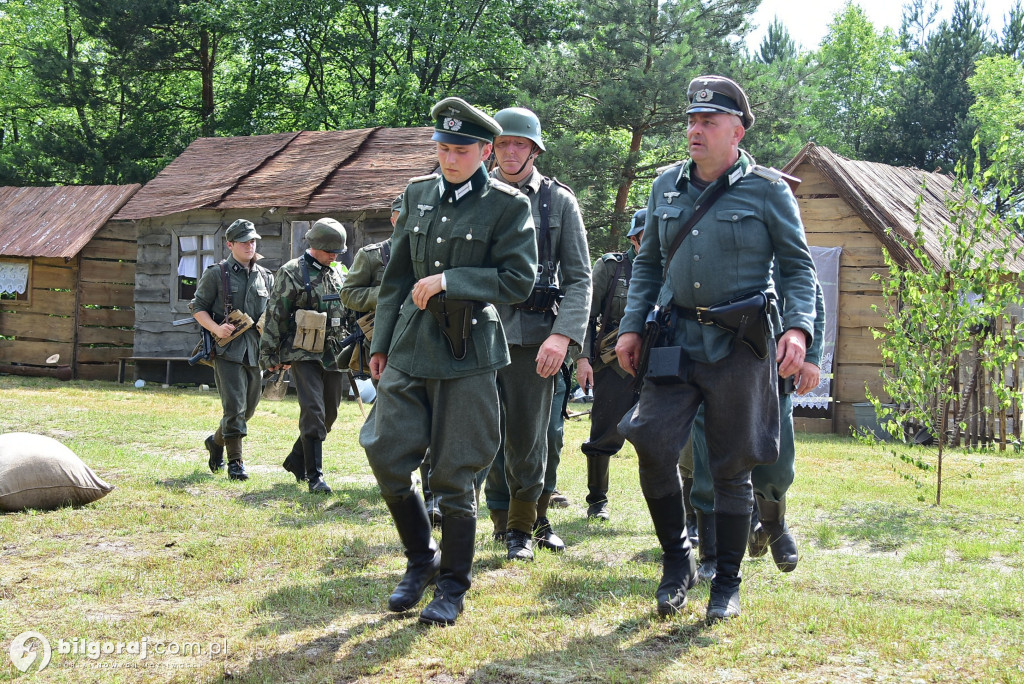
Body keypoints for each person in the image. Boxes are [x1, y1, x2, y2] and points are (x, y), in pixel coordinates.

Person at [614, 75, 818, 623]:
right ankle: (677, 561)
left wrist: (798, 331)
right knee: (652, 442)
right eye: (691, 120)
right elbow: (650, 264)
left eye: (707, 122)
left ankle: (726, 582)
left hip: (741, 344)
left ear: (737, 130)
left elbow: (799, 268)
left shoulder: (769, 190)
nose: (695, 130)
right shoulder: (664, 187)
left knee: (732, 467)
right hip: (675, 338)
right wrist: (632, 327)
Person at [359, 97, 537, 627]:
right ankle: (422, 559)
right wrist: (379, 345)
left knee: (457, 473)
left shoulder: (508, 205)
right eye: (442, 147)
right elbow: (394, 281)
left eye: (460, 149)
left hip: (468, 353)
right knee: (386, 453)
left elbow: (519, 280)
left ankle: (453, 585)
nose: (449, 157)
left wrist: (452, 282)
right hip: (411, 348)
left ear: (485, 151)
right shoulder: (416, 195)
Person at [482, 106, 591, 560]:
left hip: (535, 336)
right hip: (477, 332)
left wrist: (563, 337)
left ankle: (525, 528)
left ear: (534, 149)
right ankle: (500, 520)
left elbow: (581, 277)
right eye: (503, 143)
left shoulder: (558, 200)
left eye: (519, 144)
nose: (510, 151)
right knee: (487, 434)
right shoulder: (474, 194)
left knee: (532, 436)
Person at [689, 277, 825, 581]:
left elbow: (809, 293)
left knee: (776, 460)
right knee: (709, 460)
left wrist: (812, 358)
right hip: (710, 359)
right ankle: (711, 551)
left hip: (769, 364)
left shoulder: (776, 232)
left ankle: (773, 523)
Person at [341, 194, 446, 528]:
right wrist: (391, 293)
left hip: (432, 346)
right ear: (393, 219)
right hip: (388, 347)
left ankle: (433, 498)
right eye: (405, 216)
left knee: (434, 425)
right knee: (396, 426)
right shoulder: (373, 255)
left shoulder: (436, 252)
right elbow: (349, 293)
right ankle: (403, 488)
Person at [260, 218, 350, 494]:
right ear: (315, 245)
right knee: (313, 410)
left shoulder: (337, 273)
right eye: (330, 250)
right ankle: (315, 477)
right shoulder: (291, 272)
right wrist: (270, 355)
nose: (334, 255)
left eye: (338, 251)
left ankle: (296, 461)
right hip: (303, 352)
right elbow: (276, 314)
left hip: (333, 352)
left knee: (330, 413)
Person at [575, 208, 645, 521]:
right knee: (605, 433)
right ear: (634, 237)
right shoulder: (612, 267)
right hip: (614, 365)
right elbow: (585, 316)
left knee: (668, 438)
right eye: (648, 235)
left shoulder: (675, 268)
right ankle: (597, 501)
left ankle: (681, 512)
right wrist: (583, 358)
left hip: (659, 366)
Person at [193, 219, 273, 482]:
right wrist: (216, 328)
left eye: (253, 241)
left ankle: (216, 442)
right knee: (235, 407)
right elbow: (197, 307)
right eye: (244, 241)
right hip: (228, 350)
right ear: (230, 244)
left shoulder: (265, 276)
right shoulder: (218, 273)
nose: (250, 245)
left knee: (249, 408)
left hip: (256, 351)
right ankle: (236, 463)